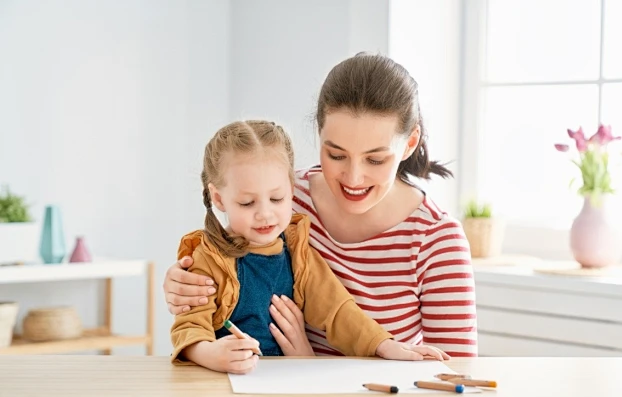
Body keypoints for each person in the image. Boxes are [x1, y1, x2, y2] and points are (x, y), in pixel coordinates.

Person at [165, 53, 477, 358]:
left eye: (375, 159)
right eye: (337, 155)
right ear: (319, 135)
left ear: (409, 143)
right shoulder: (284, 199)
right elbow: (220, 267)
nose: (353, 178)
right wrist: (184, 285)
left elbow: (452, 385)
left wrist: (307, 363)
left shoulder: (436, 240)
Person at [170, 119, 448, 374]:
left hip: (284, 388)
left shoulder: (298, 252)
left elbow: (338, 310)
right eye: (247, 203)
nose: (265, 214)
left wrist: (384, 345)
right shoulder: (207, 257)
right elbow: (189, 326)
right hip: (222, 390)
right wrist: (210, 354)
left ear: (291, 188)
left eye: (277, 199)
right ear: (218, 198)